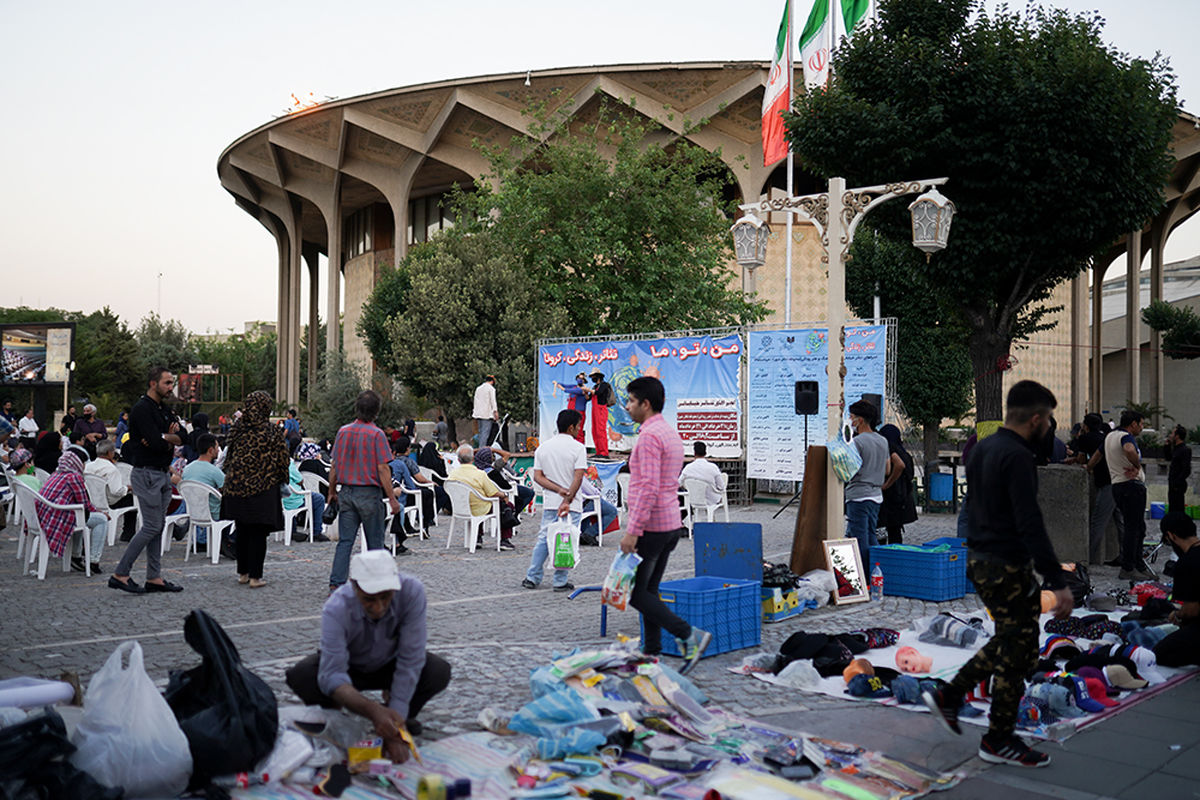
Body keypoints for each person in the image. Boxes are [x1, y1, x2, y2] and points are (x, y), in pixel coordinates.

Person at [923, 380, 1073, 768]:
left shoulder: (984, 447)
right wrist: (1057, 581)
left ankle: (952, 696)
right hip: (1006, 563)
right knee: (1017, 650)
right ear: (1037, 419)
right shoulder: (1018, 456)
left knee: (1013, 642)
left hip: (982, 558)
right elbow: (1029, 521)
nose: (1050, 428)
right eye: (1049, 420)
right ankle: (998, 738)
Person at [284, 550, 451, 759]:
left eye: (386, 597)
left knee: (437, 671)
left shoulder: (411, 592)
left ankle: (398, 715)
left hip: (390, 663)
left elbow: (411, 659)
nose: (379, 607)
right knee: (303, 675)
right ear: (354, 587)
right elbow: (332, 674)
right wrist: (372, 711)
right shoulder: (336, 608)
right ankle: (336, 716)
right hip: (350, 667)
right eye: (369, 599)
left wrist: (396, 723)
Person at [619, 376, 711, 674]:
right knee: (650, 590)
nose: (627, 406)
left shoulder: (648, 437)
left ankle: (688, 635)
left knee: (636, 593)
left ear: (645, 404)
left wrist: (633, 530)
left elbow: (647, 487)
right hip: (671, 521)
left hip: (652, 526)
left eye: (631, 400)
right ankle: (651, 649)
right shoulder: (668, 432)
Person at [110, 366, 186, 595]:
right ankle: (120, 574)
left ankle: (154, 577)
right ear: (153, 383)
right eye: (167, 383)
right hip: (146, 473)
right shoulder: (142, 409)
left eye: (172, 383)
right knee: (152, 525)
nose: (171, 387)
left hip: (162, 472)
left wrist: (164, 437)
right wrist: (164, 438)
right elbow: (153, 442)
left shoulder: (164, 408)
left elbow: (184, 436)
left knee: (159, 526)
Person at [327, 390, 402, 591]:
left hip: (347, 492)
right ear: (376, 412)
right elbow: (382, 468)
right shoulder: (376, 434)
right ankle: (376, 585)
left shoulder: (343, 431)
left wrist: (332, 491)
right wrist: (392, 498)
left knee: (345, 542)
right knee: (375, 542)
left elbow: (334, 465)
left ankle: (336, 583)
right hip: (369, 493)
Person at [220, 391, 290, 588]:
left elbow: (228, 455)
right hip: (263, 488)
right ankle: (255, 577)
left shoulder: (237, 429)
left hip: (236, 487)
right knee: (258, 533)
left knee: (242, 529)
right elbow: (282, 460)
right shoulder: (272, 431)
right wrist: (283, 480)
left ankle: (243, 573)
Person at [523, 411, 586, 591]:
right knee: (566, 540)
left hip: (551, 500)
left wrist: (557, 490)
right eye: (579, 425)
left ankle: (532, 576)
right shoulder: (578, 448)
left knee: (544, 538)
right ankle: (559, 580)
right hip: (572, 503)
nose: (579, 429)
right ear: (571, 427)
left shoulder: (544, 447)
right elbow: (578, 477)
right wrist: (567, 497)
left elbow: (538, 477)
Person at [37, 449, 108, 575]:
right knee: (100, 520)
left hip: (46, 516)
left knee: (81, 516)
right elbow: (85, 504)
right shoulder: (73, 477)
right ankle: (93, 561)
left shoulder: (56, 474)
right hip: (58, 518)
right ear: (77, 463)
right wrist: (101, 512)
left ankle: (75, 556)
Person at [1106, 410, 1153, 580]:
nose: (1141, 428)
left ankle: (1139, 566)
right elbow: (1128, 449)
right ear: (1132, 424)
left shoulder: (1110, 436)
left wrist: (1088, 468)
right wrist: (1137, 465)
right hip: (1131, 486)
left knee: (1136, 527)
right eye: (1140, 424)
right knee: (1134, 529)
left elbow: (1097, 455)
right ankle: (1129, 567)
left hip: (1117, 486)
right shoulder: (1126, 437)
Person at [844, 400, 890, 569]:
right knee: (871, 535)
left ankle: (864, 576)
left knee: (859, 538)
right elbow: (887, 469)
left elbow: (849, 470)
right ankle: (877, 569)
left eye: (851, 417)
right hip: (876, 495)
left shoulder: (857, 442)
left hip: (859, 495)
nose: (850, 421)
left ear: (860, 420)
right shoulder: (883, 440)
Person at [1153, 512, 1200, 667]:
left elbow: (1192, 610)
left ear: (1171, 536)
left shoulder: (1186, 563)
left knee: (1159, 654)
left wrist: (1178, 614)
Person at [1076, 413, 1124, 565]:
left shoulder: (1085, 439)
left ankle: (1088, 557)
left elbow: (1082, 460)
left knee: (1098, 522)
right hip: (1118, 481)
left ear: (1086, 426)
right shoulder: (1106, 437)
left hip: (1106, 484)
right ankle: (1126, 555)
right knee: (1121, 521)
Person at [181, 432, 225, 548]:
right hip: (214, 513)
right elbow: (227, 491)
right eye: (216, 447)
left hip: (193, 513)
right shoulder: (214, 471)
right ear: (210, 450)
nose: (218, 450)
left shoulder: (187, 469)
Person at [85, 439, 135, 540]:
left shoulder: (88, 466)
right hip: (109, 502)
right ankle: (128, 533)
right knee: (131, 500)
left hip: (92, 500)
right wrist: (128, 488)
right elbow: (117, 491)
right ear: (109, 453)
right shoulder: (111, 469)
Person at [474, 445, 520, 550]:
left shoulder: (471, 472)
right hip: (488, 503)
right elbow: (494, 491)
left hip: (471, 504)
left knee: (479, 504)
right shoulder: (489, 472)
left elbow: (464, 454)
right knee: (507, 506)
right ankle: (505, 539)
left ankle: (478, 537)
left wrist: (480, 450)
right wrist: (504, 496)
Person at [877, 424, 917, 545]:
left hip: (889, 497)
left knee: (881, 530)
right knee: (895, 532)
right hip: (902, 498)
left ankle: (882, 557)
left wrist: (886, 484)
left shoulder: (889, 449)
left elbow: (899, 466)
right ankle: (896, 556)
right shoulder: (905, 453)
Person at [284, 459, 329, 543]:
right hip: (293, 498)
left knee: (290, 509)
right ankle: (316, 532)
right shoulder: (287, 461)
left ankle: (292, 530)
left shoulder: (269, 461)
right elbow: (300, 480)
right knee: (319, 499)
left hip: (280, 498)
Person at [678, 441, 726, 506]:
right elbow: (721, 487)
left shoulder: (688, 468)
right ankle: (711, 515)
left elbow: (679, 483)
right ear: (705, 453)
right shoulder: (713, 467)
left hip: (692, 500)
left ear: (694, 453)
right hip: (711, 500)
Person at [554, 373, 591, 445]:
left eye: (581, 379)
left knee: (579, 431)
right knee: (570, 430)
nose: (579, 380)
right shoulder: (574, 386)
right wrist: (557, 383)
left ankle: (580, 446)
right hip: (571, 412)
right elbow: (565, 385)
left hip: (580, 412)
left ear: (584, 380)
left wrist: (563, 389)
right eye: (578, 378)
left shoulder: (583, 389)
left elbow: (572, 390)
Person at [418, 441, 452, 513]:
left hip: (424, 484)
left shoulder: (421, 460)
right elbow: (443, 474)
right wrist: (442, 461)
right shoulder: (437, 461)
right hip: (438, 483)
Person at [1168, 424, 1192, 515]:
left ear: (1177, 436)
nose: (1171, 435)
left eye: (1172, 433)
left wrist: (1177, 482)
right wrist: (1167, 445)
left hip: (1178, 484)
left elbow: (1186, 469)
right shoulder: (1176, 449)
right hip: (1172, 482)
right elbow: (1169, 458)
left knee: (1178, 508)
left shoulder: (1185, 450)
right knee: (1172, 507)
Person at [589, 370, 614, 457]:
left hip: (601, 409)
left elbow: (598, 393)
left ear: (598, 376)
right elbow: (589, 397)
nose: (592, 379)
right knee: (594, 431)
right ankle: (598, 451)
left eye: (593, 377)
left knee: (600, 431)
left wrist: (588, 389)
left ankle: (604, 452)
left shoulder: (604, 385)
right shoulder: (595, 386)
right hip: (594, 410)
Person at [472, 375, 499, 447]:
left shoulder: (478, 388)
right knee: (485, 433)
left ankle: (480, 448)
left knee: (481, 433)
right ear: (492, 381)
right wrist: (495, 412)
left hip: (479, 414)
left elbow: (476, 401)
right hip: (487, 414)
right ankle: (482, 449)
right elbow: (493, 401)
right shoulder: (491, 389)